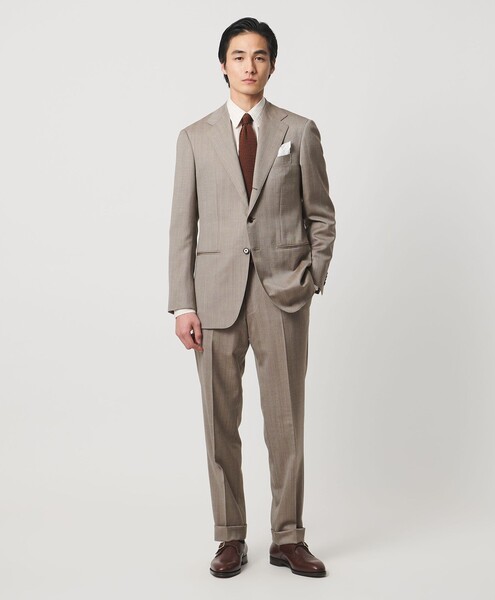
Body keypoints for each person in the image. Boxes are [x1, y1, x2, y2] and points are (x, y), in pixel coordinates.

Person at [168, 17, 336, 578]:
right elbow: (182, 228)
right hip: (214, 297)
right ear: (223, 65)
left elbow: (321, 216)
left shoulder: (299, 131)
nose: (249, 66)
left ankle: (288, 536)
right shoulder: (194, 138)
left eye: (259, 56)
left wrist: (311, 276)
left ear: (272, 65)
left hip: (283, 293)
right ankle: (229, 536)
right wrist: (183, 304)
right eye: (238, 56)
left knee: (286, 422)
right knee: (219, 421)